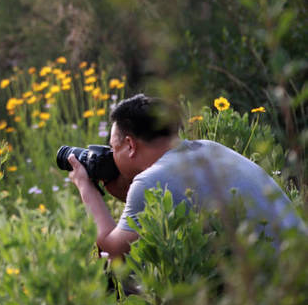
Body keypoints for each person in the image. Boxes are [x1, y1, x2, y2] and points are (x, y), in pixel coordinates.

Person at [68, 93, 305, 258]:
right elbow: (167, 207)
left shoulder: (152, 180)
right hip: (295, 269)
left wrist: (86, 188)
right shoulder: (209, 148)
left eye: (113, 147)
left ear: (130, 145)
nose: (111, 154)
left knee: (136, 268)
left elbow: (112, 248)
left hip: (277, 300)